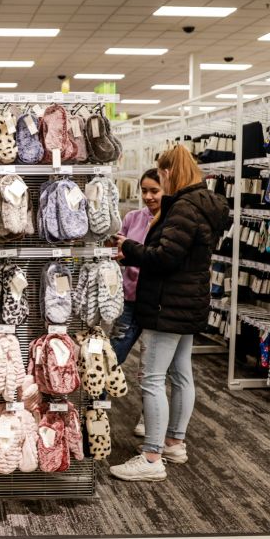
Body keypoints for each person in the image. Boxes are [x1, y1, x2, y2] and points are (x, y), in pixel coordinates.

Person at [105, 146, 231, 482]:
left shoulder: (183, 209)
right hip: (188, 301)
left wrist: (128, 249)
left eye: (160, 177)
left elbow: (165, 257)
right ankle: (174, 442)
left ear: (170, 173)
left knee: (152, 378)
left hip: (168, 303)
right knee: (181, 374)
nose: (157, 185)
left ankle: (151, 456)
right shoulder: (205, 206)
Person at [110, 168, 165, 438]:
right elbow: (116, 248)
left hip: (156, 303)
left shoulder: (168, 221)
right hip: (129, 300)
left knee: (151, 368)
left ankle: (148, 416)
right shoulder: (133, 217)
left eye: (154, 190)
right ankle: (96, 405)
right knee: (111, 354)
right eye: (144, 190)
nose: (148, 196)